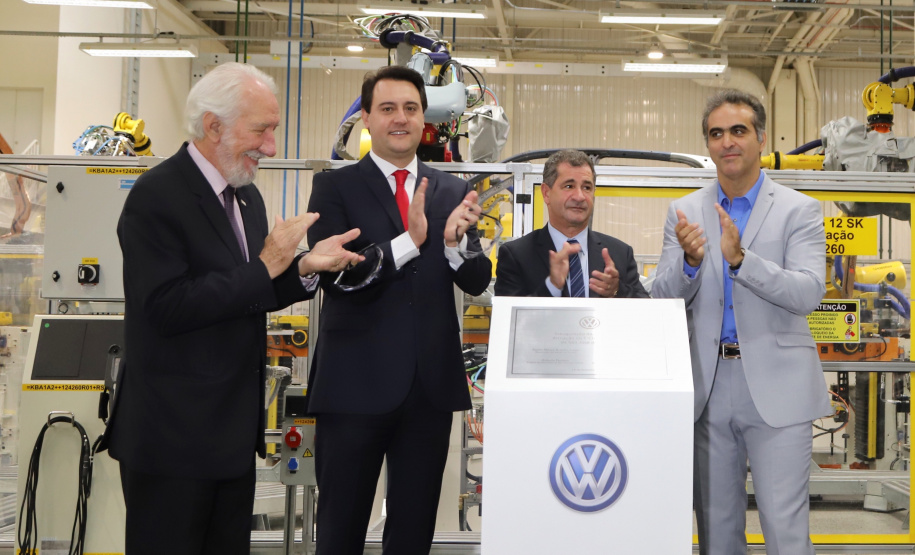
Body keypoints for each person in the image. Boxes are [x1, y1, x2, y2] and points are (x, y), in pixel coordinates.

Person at [109, 62, 363, 555]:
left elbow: (248, 291)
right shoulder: (156, 196)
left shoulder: (245, 198)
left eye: (273, 130)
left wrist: (305, 267)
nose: (270, 147)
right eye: (261, 130)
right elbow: (165, 307)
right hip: (171, 442)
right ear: (213, 126)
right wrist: (267, 264)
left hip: (229, 438)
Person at [304, 65, 492, 555]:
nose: (400, 119)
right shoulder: (334, 189)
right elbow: (337, 277)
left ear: (424, 118)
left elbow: (476, 279)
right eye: (387, 109)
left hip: (427, 391)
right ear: (366, 118)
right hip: (353, 387)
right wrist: (410, 242)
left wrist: (455, 246)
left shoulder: (449, 191)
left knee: (412, 535)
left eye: (410, 109)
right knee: (340, 530)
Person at [651, 89, 830, 555]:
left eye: (738, 131)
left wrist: (742, 261)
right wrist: (690, 262)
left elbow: (808, 293)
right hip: (707, 388)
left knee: (784, 528)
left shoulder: (800, 210)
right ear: (707, 145)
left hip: (778, 388)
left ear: (760, 137)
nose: (727, 142)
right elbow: (661, 298)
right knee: (716, 531)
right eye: (716, 133)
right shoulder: (684, 212)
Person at [494, 149, 648, 299]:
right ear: (546, 193)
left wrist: (617, 290)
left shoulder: (619, 253)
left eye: (587, 187)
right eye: (569, 186)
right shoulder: (516, 255)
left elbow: (648, 313)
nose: (580, 196)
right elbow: (510, 319)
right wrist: (552, 287)